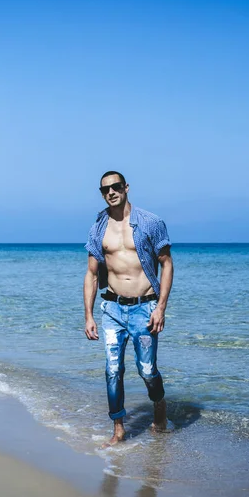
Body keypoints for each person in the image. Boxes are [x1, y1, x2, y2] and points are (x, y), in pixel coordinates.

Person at [84, 171, 174, 446]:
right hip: (111, 307)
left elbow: (166, 263)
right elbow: (90, 272)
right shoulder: (99, 226)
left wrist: (161, 308)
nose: (111, 192)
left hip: (144, 308)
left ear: (126, 188)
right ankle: (119, 429)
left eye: (116, 186)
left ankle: (159, 409)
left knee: (147, 370)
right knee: (112, 370)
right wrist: (88, 315)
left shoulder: (150, 222)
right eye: (105, 189)